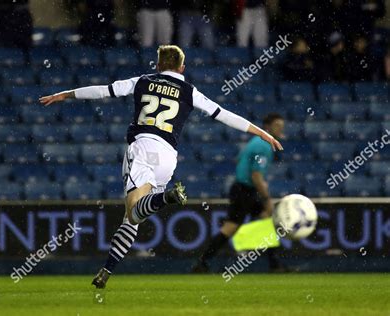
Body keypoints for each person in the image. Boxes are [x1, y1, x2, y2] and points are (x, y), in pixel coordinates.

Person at [39, 45, 283, 289]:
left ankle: (167, 198)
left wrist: (66, 94)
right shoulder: (189, 90)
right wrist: (261, 132)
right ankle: (106, 271)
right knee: (133, 219)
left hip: (143, 147)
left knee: (133, 212)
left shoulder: (142, 81)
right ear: (182, 68)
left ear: (157, 65)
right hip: (168, 157)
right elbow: (223, 114)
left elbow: (103, 91)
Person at [192, 113, 285, 273]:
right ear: (267, 127)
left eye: (282, 126)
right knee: (231, 227)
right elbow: (256, 175)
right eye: (277, 125)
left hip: (244, 189)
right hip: (244, 190)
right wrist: (267, 198)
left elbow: (241, 161)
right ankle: (202, 263)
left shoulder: (256, 141)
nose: (281, 129)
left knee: (266, 220)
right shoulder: (263, 145)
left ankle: (275, 265)